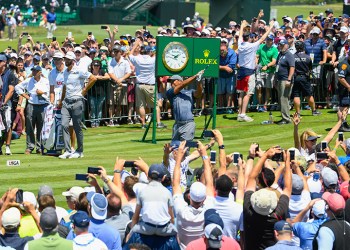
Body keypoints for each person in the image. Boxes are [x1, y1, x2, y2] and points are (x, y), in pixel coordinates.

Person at [243, 148, 292, 249]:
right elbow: (287, 188)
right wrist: (287, 162)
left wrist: (265, 156)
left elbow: (251, 179)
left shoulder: (248, 210)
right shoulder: (277, 213)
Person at [172, 140, 215, 249]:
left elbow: (175, 184)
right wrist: (204, 155)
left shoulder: (181, 210)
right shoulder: (208, 209)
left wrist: (178, 160)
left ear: (189, 196)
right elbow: (210, 184)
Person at [58, 51, 97, 159]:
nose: (65, 61)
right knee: (64, 125)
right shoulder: (65, 72)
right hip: (66, 102)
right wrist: (61, 101)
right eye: (65, 59)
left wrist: (84, 90)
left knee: (77, 127)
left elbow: (93, 78)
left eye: (67, 59)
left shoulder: (79, 70)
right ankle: (67, 150)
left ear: (72, 60)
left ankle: (80, 151)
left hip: (77, 101)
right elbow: (64, 87)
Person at [236, 19, 274, 122]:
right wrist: (270, 28)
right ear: (248, 38)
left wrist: (242, 26)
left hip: (241, 72)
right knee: (248, 93)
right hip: (249, 73)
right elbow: (262, 38)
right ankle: (243, 114)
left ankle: (240, 114)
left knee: (241, 94)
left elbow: (239, 36)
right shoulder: (252, 46)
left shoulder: (240, 44)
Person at [128, 39, 165, 129]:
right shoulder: (153, 60)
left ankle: (143, 124)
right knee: (155, 105)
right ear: (149, 52)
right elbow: (158, 54)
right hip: (150, 85)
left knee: (141, 105)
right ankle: (158, 123)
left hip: (139, 85)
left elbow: (129, 55)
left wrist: (135, 44)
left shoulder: (137, 59)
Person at [15, 65, 50, 154]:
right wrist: (25, 96)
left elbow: (49, 92)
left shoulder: (45, 81)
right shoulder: (28, 80)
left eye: (35, 71)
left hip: (43, 104)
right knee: (30, 125)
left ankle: (39, 146)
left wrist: (41, 93)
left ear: (40, 72)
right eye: (33, 70)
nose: (33, 72)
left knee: (41, 126)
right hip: (32, 104)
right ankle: (30, 146)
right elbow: (17, 87)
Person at [166, 71, 203, 141]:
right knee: (174, 149)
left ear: (180, 81)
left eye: (174, 81)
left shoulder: (190, 92)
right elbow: (182, 85)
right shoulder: (170, 92)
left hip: (188, 124)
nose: (172, 83)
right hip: (177, 125)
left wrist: (199, 81)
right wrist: (195, 76)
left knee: (185, 149)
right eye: (171, 82)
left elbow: (198, 94)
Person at [292, 40, 321, 116]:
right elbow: (310, 69)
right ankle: (314, 111)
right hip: (305, 77)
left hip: (296, 78)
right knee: (309, 95)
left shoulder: (292, 57)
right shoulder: (308, 57)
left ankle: (298, 113)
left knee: (296, 95)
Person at [107, 45, 131, 127]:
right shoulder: (110, 61)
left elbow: (128, 72)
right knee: (111, 103)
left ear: (120, 52)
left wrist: (121, 79)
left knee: (119, 104)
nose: (115, 53)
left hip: (122, 84)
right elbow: (110, 73)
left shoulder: (125, 62)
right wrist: (118, 80)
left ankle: (116, 118)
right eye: (114, 51)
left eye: (117, 51)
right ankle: (111, 120)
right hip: (113, 84)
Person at [256, 34, 278, 112]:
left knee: (268, 89)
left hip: (270, 71)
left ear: (273, 41)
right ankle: (260, 105)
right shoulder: (261, 46)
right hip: (260, 70)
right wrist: (256, 64)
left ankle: (265, 105)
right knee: (259, 88)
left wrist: (267, 66)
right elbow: (257, 56)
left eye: (270, 40)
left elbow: (274, 61)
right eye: (268, 40)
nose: (269, 41)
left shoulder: (275, 49)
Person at [0, 54, 17, 155]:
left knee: (8, 124)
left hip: (6, 103)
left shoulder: (9, 74)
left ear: (4, 62)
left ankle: (7, 146)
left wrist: (3, 102)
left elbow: (11, 90)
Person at [275, 39, 295, 125]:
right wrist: (275, 79)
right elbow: (277, 67)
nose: (281, 46)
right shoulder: (280, 54)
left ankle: (286, 118)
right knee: (282, 99)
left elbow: (292, 67)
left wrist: (289, 79)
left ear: (287, 45)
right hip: (280, 79)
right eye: (280, 45)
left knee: (284, 98)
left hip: (285, 79)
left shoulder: (289, 55)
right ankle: (285, 117)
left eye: (282, 45)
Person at [89, 59, 109, 127]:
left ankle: (97, 122)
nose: (96, 67)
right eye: (95, 65)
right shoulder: (90, 72)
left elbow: (107, 76)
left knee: (99, 108)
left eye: (97, 65)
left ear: (100, 66)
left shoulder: (102, 71)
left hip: (101, 93)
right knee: (93, 108)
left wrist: (98, 77)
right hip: (92, 93)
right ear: (92, 66)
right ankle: (92, 121)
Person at [218, 39, 237, 113]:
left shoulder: (232, 52)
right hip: (220, 75)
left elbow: (232, 65)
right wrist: (225, 67)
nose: (222, 52)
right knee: (220, 92)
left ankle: (228, 108)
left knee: (230, 92)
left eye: (224, 43)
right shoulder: (216, 51)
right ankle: (220, 108)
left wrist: (221, 67)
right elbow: (214, 64)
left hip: (230, 76)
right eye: (221, 43)